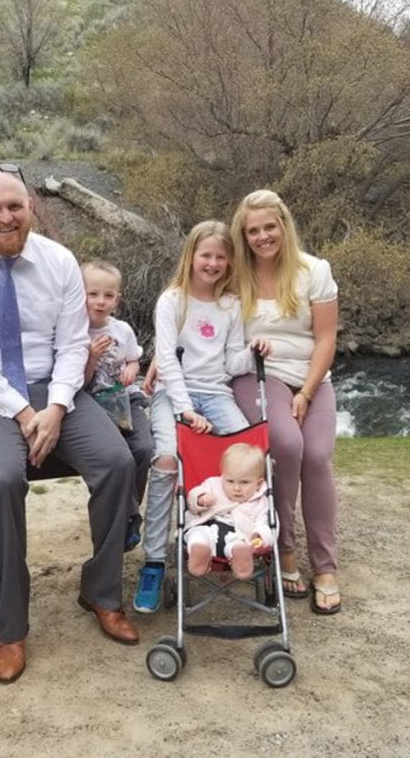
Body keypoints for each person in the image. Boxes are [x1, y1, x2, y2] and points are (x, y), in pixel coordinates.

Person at [0, 164, 139, 684]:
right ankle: (11, 626)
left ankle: (101, 591)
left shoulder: (59, 261)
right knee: (1, 479)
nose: (7, 217)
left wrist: (56, 407)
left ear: (31, 207)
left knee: (116, 462)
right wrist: (24, 414)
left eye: (15, 206)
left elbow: (72, 345)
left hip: (52, 388)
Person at [134, 220, 270, 613]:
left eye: (220, 257)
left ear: (229, 263)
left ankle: (243, 535)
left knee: (249, 454)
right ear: (191, 256)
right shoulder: (172, 301)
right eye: (205, 255)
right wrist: (184, 410)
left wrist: (254, 351)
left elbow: (230, 362)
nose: (212, 263)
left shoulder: (229, 306)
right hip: (174, 394)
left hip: (216, 392)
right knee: (165, 458)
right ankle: (155, 561)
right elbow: (166, 362)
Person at [229, 189, 342, 615]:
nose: (262, 237)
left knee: (316, 455)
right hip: (258, 373)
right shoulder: (235, 273)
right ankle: (285, 549)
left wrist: (309, 392)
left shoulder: (314, 270)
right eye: (253, 230)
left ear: (284, 225)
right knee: (288, 446)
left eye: (269, 227)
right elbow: (189, 295)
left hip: (310, 376)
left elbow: (327, 337)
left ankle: (325, 567)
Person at [81, 259, 154, 552]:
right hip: (92, 404)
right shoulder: (75, 330)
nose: (101, 302)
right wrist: (92, 358)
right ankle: (125, 515)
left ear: (117, 299)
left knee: (145, 448)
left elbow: (133, 357)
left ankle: (130, 511)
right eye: (93, 294)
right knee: (116, 456)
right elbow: (79, 382)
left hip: (125, 398)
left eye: (108, 295)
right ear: (80, 294)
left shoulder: (121, 329)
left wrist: (132, 368)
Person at [184, 442, 273, 580]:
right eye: (230, 481)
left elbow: (266, 524)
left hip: (238, 535)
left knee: (239, 545)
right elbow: (192, 498)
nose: (236, 488)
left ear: (258, 484)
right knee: (196, 535)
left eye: (244, 482)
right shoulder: (213, 484)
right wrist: (200, 499)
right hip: (206, 526)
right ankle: (199, 552)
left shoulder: (261, 502)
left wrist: (260, 536)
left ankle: (240, 558)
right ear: (223, 476)